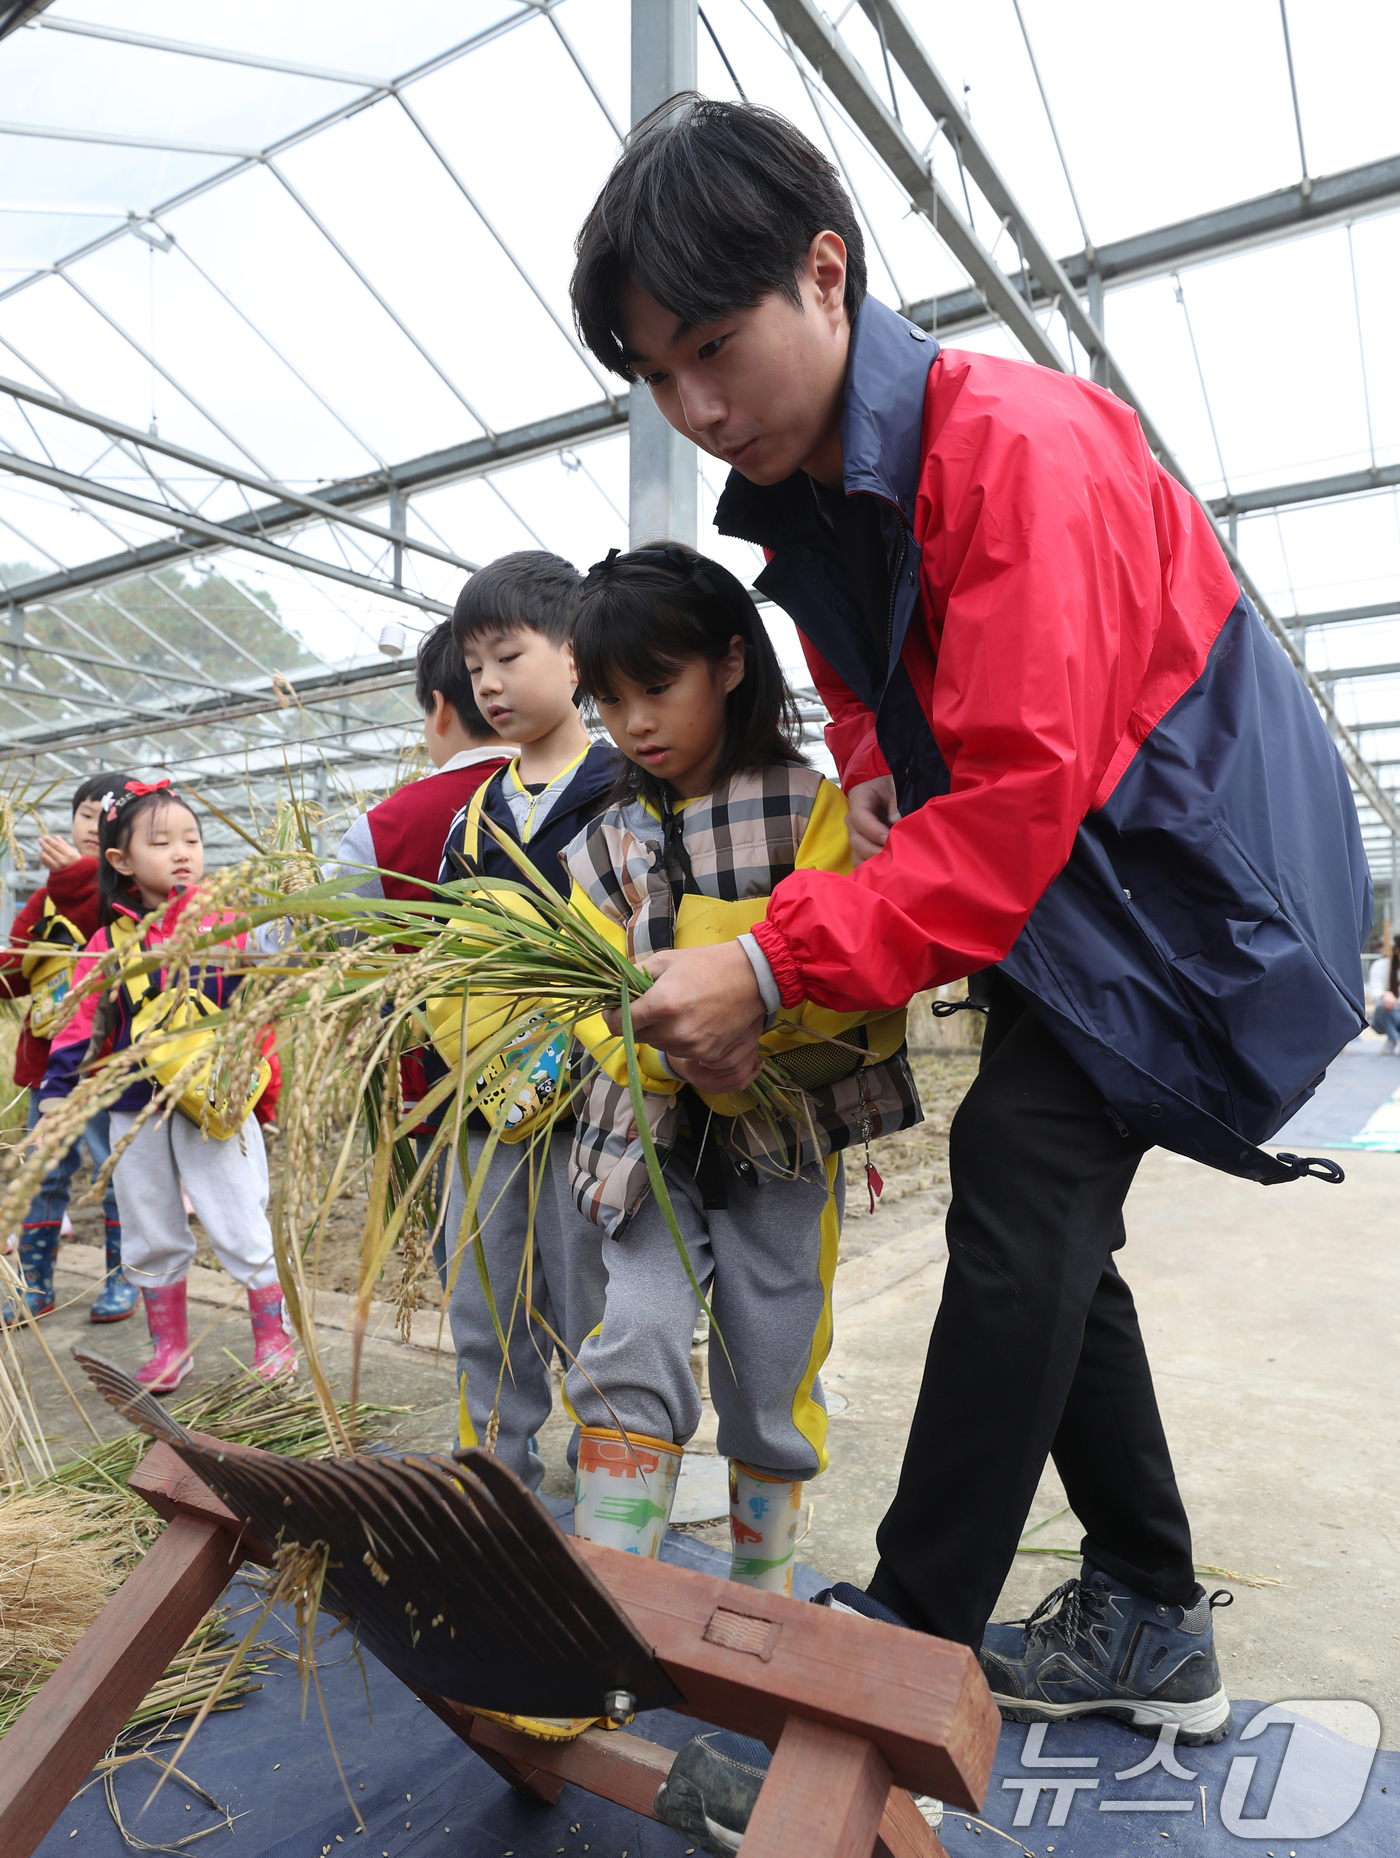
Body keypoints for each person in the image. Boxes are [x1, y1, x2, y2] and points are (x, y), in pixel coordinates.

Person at [568, 93, 1369, 1768]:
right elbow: (880, 775)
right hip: (1089, 911)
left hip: (1191, 909)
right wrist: (788, 962)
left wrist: (777, 962)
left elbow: (1009, 804)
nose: (699, 408)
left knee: (1018, 1172)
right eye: (658, 376)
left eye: (717, 346)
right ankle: (1147, 1604)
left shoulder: (1019, 445)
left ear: (828, 273)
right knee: (1053, 1227)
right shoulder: (821, 516)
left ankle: (896, 1648)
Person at [559, 545, 920, 1594]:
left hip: (780, 1141)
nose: (634, 723)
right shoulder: (603, 843)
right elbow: (584, 996)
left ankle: (759, 1595)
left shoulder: (809, 806)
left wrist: (754, 1025)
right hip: (645, 1144)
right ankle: (609, 1601)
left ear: (727, 662)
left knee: (773, 1354)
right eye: (608, 699)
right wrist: (652, 1048)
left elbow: (856, 966)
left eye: (656, 687)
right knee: (631, 1334)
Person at [434, 551, 615, 1494]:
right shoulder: (472, 818)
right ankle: (492, 1486)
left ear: (576, 654)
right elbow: (441, 960)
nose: (489, 684)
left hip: (600, 1108)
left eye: (507, 655)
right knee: (486, 1296)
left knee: (594, 1303)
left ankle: (608, 1503)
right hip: (488, 1104)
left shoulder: (626, 791)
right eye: (474, 669)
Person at [39, 778, 295, 1390]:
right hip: (136, 1109)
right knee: (149, 1224)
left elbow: (275, 981)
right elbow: (81, 1024)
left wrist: (290, 920)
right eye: (161, 842)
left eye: (192, 839)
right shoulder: (109, 945)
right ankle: (169, 1347)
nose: (183, 852)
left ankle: (274, 1338)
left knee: (239, 1218)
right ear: (120, 861)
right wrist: (56, 1092)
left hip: (216, 1105)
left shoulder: (227, 925)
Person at [327, 619, 512, 1283]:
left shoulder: (384, 828)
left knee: (480, 1298)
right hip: (593, 1091)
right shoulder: (604, 794)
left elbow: (335, 949)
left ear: (437, 708)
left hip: (445, 1102)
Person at [0, 771, 138, 1324]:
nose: (95, 823)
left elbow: (99, 914)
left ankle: (121, 1280)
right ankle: (35, 1285)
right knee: (45, 1170)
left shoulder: (130, 895)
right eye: (86, 812)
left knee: (115, 1174)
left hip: (112, 1068)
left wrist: (78, 876)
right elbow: (14, 973)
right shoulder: (45, 898)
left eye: (109, 814)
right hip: (51, 1071)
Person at [1366, 936, 1400, 1052]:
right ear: (1397, 950)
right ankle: (1393, 1038)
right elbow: (1374, 992)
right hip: (1386, 1016)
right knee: (1383, 1004)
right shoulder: (1380, 966)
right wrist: (1386, 994)